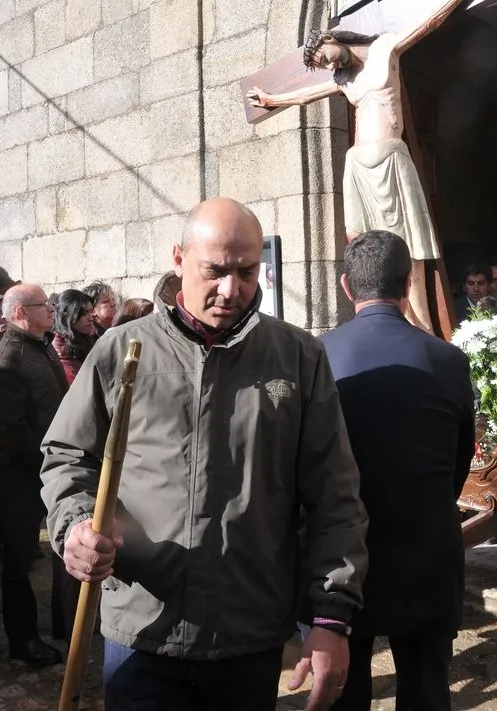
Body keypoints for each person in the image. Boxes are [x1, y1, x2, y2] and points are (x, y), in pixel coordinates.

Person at [41, 198, 368, 711]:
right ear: (179, 258)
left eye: (246, 271)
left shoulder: (298, 356)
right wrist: (75, 524)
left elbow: (335, 494)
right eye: (215, 270)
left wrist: (331, 617)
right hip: (142, 628)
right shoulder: (120, 350)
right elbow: (66, 455)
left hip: (248, 634)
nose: (231, 289)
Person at [248, 0, 497, 334]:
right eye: (321, 64)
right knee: (368, 246)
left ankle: (422, 327)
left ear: (333, 38)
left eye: (324, 56)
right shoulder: (345, 81)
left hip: (390, 159)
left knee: (410, 249)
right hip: (359, 165)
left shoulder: (385, 50)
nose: (328, 65)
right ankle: (392, 322)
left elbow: (431, 20)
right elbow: (306, 96)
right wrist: (271, 99)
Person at [320, 230, 475, 711]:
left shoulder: (317, 356)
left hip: (341, 558)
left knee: (343, 694)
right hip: (426, 549)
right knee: (426, 690)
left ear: (347, 286)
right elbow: (459, 461)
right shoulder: (448, 359)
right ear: (409, 283)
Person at [0, 285, 65, 666]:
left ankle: (63, 623)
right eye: (44, 304)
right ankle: (22, 639)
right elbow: (10, 428)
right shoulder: (10, 357)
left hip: (51, 468)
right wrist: (47, 460)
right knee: (19, 560)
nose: (52, 309)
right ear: (22, 313)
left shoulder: (41, 346)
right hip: (22, 478)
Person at [52, 289, 96, 385]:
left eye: (90, 312)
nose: (91, 318)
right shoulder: (60, 350)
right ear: (68, 316)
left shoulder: (87, 338)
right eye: (84, 313)